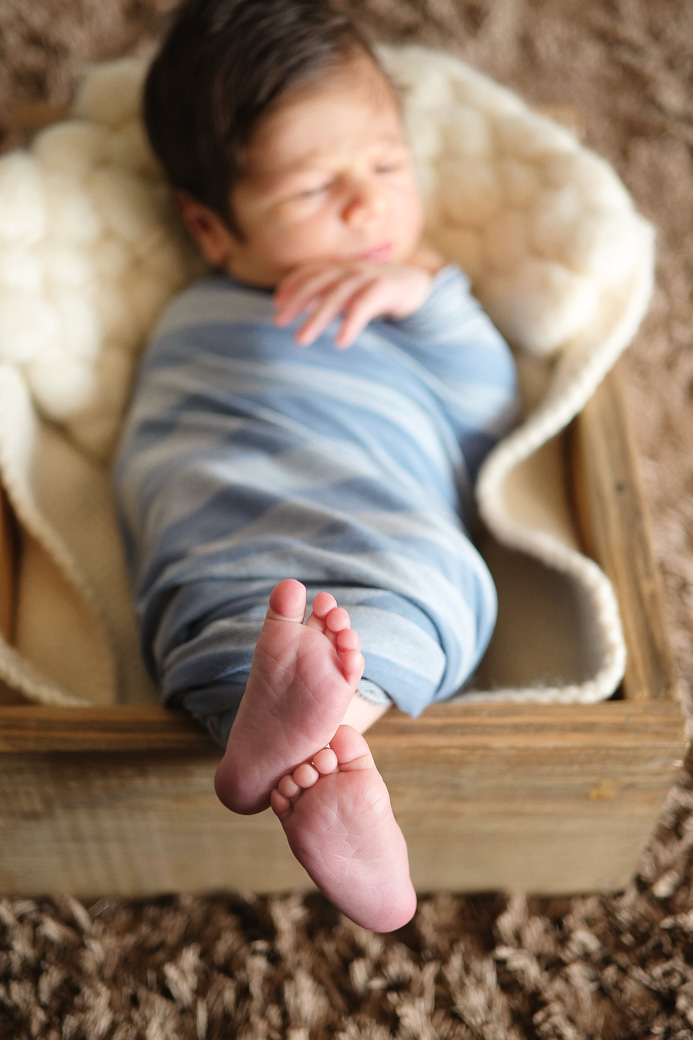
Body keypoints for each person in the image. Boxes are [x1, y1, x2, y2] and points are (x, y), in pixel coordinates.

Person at [114, 0, 519, 932]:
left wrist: (425, 298)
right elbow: (154, 450)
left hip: (376, 519)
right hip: (229, 523)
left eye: (384, 166)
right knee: (212, 598)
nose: (366, 204)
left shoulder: (415, 305)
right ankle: (307, 734)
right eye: (310, 190)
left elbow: (488, 410)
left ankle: (299, 736)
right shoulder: (188, 321)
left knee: (437, 578)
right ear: (212, 230)